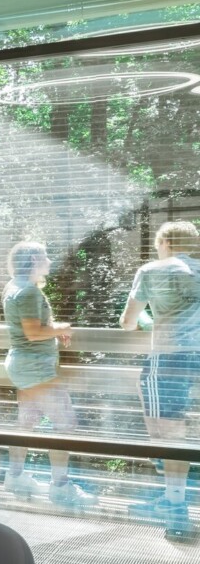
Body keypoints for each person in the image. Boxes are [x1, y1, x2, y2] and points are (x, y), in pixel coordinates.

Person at [0, 242, 97, 508]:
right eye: (45, 256)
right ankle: (61, 488)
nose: (50, 261)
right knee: (66, 422)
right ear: (33, 259)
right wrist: (62, 327)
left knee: (27, 422)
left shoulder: (14, 286)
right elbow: (33, 332)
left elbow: (29, 328)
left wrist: (52, 328)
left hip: (23, 365)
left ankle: (15, 477)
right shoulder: (28, 290)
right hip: (35, 367)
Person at [120, 221, 200, 538]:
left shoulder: (153, 270)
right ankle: (170, 495)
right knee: (173, 428)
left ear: (165, 242)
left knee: (167, 433)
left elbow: (127, 322)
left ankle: (175, 509)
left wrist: (144, 318)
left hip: (168, 357)